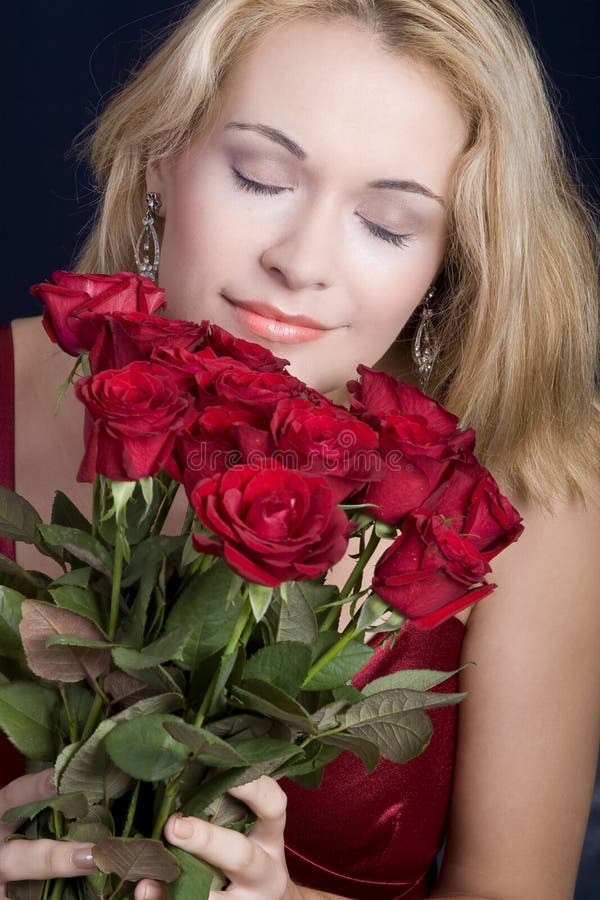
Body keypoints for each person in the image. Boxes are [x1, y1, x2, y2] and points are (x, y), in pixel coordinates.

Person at [1, 1, 599, 898]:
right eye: (259, 175)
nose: (303, 259)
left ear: (453, 260)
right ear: (162, 156)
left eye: (391, 224)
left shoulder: (540, 491)